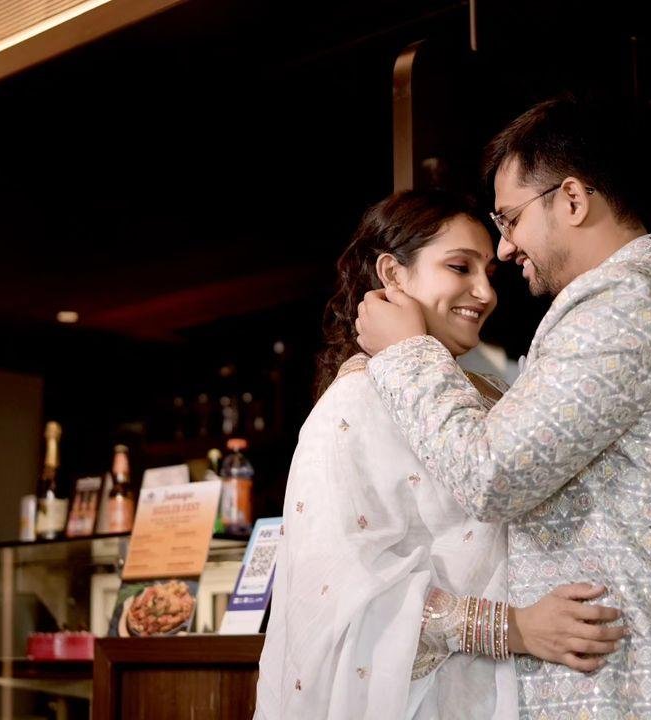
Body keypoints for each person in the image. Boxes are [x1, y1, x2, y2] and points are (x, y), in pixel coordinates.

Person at [356, 96, 651, 718]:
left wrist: (405, 353)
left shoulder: (623, 305)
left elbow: (490, 474)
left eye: (510, 219)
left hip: (636, 690)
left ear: (572, 200)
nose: (505, 250)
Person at [256, 190, 625, 720]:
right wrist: (515, 628)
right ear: (393, 274)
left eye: (489, 274)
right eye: (459, 267)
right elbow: (343, 591)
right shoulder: (354, 403)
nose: (485, 293)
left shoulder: (482, 391)